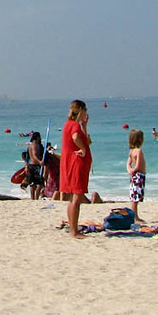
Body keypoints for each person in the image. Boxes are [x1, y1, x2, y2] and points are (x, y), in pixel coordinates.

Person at [60, 100, 92, 239]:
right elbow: (75, 137)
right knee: (76, 198)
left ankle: (74, 228)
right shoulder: (73, 126)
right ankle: (74, 231)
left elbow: (85, 139)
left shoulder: (72, 124)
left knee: (73, 198)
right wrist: (83, 149)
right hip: (75, 164)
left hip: (70, 163)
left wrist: (85, 126)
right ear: (81, 110)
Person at [126, 129, 147, 223]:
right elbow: (138, 165)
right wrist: (133, 170)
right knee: (136, 198)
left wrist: (130, 170)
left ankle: (135, 215)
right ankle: (135, 216)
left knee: (135, 196)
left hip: (135, 175)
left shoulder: (131, 151)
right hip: (139, 175)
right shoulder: (139, 151)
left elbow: (128, 164)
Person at [26, 131, 45, 200]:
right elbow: (34, 155)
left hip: (30, 165)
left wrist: (26, 166)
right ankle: (36, 197)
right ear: (37, 137)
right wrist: (39, 161)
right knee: (40, 183)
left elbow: (28, 157)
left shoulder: (30, 146)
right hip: (35, 166)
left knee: (33, 183)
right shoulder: (34, 145)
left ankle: (32, 198)